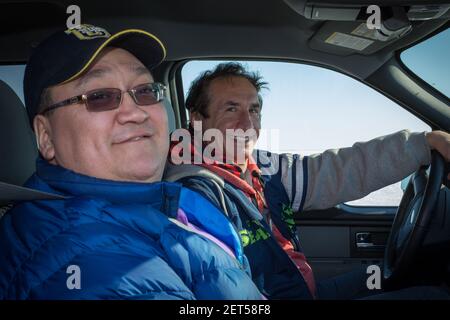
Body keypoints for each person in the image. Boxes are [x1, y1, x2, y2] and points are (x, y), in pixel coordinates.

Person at [0, 26, 263, 300]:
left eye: (146, 91)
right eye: (99, 96)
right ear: (46, 137)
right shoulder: (85, 260)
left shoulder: (151, 204)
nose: (135, 113)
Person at [167, 62, 450, 299]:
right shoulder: (193, 192)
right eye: (231, 109)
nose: (248, 124)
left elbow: (339, 169)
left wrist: (424, 143)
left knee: (398, 277)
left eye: (253, 110)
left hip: (304, 289)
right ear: (197, 119)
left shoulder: (263, 167)